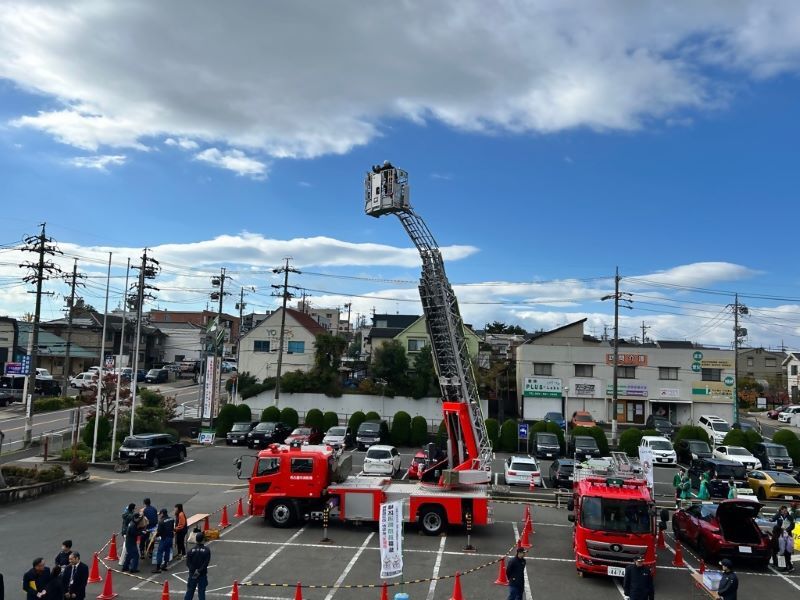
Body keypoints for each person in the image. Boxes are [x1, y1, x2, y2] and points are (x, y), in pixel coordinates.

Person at [184, 532, 211, 600]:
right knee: (201, 593)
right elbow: (206, 563)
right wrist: (199, 571)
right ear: (203, 540)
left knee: (190, 592)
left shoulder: (190, 551)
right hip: (202, 574)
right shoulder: (206, 550)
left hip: (193, 574)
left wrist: (193, 571)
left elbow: (188, 563)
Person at [153, 509, 175, 573]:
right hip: (170, 537)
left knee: (160, 552)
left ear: (162, 513)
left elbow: (159, 532)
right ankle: (165, 565)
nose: (160, 515)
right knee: (167, 551)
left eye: (160, 514)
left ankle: (158, 568)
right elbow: (172, 528)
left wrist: (155, 536)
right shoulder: (171, 519)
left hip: (164, 538)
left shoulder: (161, 521)